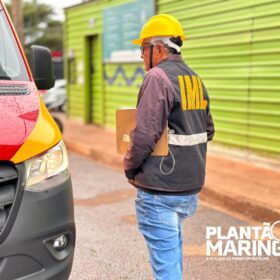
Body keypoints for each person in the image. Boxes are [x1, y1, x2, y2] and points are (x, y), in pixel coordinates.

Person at [123, 14, 215, 280]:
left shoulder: (157, 78)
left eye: (142, 49)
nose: (141, 56)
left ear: (158, 48)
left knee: (166, 267)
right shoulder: (195, 80)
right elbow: (208, 130)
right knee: (171, 254)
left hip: (159, 190)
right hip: (188, 187)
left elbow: (143, 136)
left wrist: (130, 167)